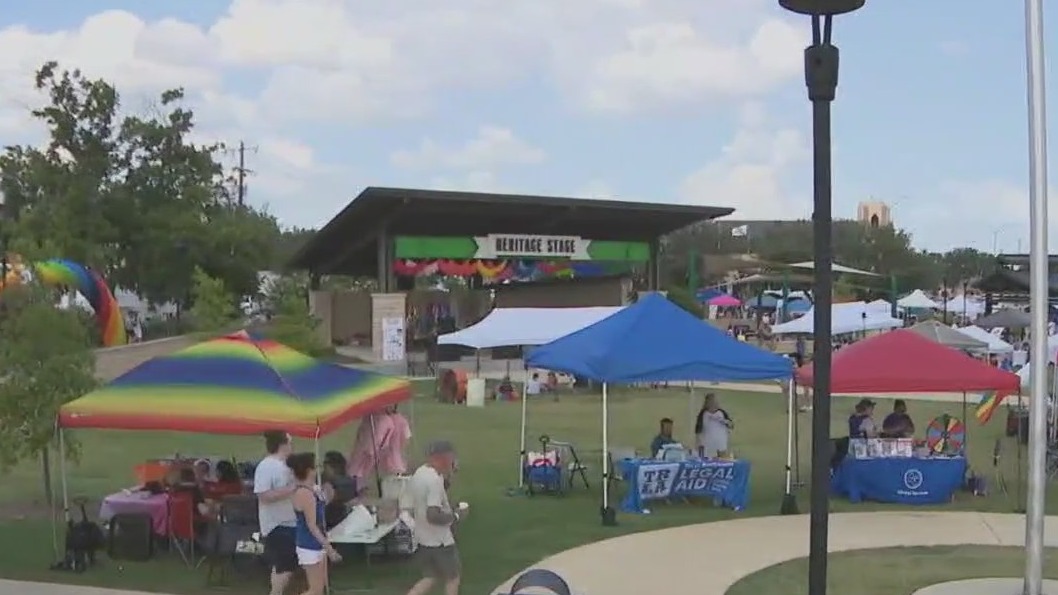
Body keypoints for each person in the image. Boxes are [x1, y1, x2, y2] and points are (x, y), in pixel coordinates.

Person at [406, 441, 463, 595]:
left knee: (430, 577)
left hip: (422, 537)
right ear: (443, 457)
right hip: (440, 540)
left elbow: (435, 493)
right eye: (451, 458)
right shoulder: (434, 481)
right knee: (453, 577)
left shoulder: (420, 473)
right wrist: (456, 515)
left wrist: (450, 474)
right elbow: (432, 515)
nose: (453, 462)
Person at [289, 452, 341, 595]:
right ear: (309, 471)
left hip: (317, 543)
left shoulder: (313, 489)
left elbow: (322, 507)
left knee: (321, 587)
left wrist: (327, 494)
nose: (318, 470)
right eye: (315, 467)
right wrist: (329, 548)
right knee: (315, 590)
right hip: (309, 545)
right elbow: (311, 525)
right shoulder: (304, 493)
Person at [254, 430, 299, 595]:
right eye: (290, 442)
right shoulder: (266, 466)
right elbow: (263, 495)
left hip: (291, 520)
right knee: (286, 562)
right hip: (276, 523)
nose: (292, 446)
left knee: (284, 563)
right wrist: (291, 489)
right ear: (282, 444)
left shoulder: (287, 466)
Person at [321, 451, 357, 529]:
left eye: (325, 466)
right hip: (348, 521)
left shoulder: (334, 484)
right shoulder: (350, 481)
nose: (323, 470)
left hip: (334, 523)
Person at [694, 393, 734, 457]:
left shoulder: (722, 413)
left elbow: (731, 425)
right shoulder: (703, 414)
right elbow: (698, 430)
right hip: (707, 445)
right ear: (707, 404)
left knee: (722, 459)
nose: (714, 404)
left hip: (721, 444)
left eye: (716, 402)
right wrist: (698, 443)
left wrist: (724, 421)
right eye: (712, 403)